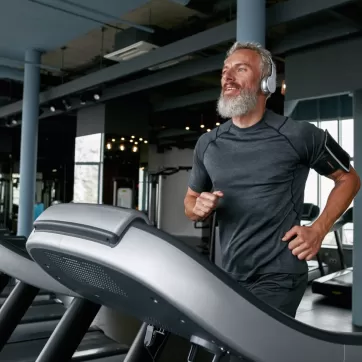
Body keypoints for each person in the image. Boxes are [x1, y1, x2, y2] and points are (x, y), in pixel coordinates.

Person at [184, 41, 361, 319]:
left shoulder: (300, 135)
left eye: (240, 69)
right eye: (224, 71)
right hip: (229, 272)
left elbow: (349, 179)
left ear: (267, 83)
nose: (227, 77)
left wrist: (318, 230)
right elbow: (190, 200)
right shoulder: (208, 143)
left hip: (279, 274)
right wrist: (198, 207)